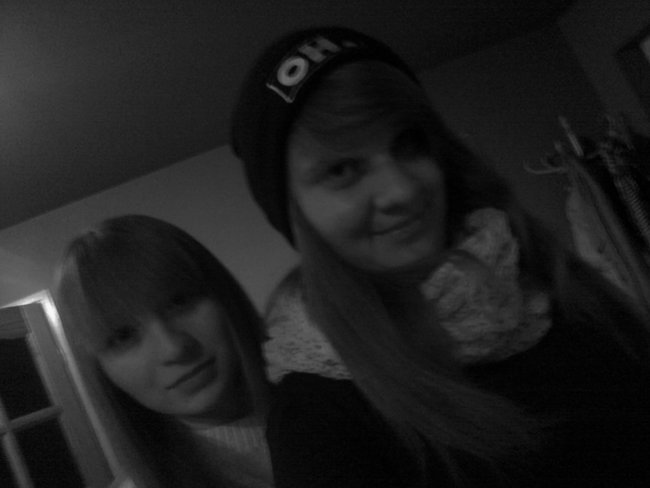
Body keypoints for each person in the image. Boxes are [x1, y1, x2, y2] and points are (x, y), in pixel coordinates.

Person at [230, 26, 650, 488]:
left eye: (409, 143)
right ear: (292, 212)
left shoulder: (549, 280)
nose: (402, 190)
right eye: (342, 169)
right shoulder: (317, 413)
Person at [54, 215, 273, 488]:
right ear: (101, 369)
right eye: (123, 336)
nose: (174, 348)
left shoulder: (319, 395)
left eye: (179, 303)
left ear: (222, 294)